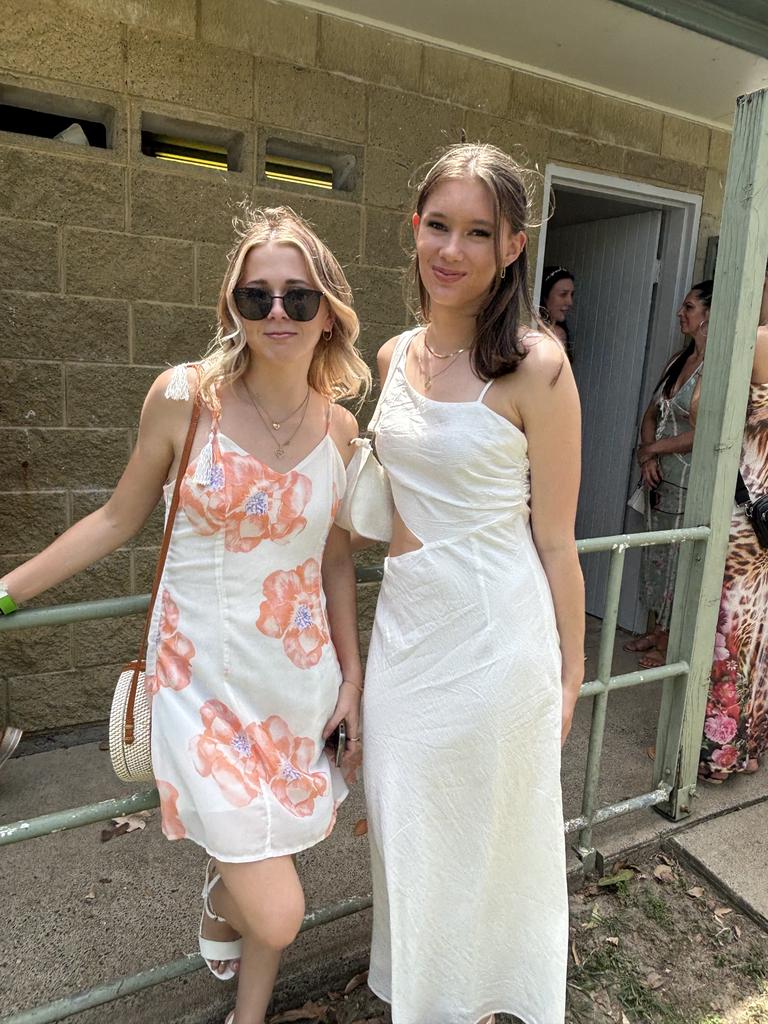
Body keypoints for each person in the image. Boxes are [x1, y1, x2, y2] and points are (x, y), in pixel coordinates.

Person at [0, 206, 370, 1024]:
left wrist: (353, 675)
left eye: (298, 299)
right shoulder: (183, 397)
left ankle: (247, 1017)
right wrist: (6, 592)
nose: (277, 314)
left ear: (328, 313)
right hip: (197, 684)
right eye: (256, 296)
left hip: (297, 684)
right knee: (276, 909)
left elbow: (336, 557)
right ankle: (223, 890)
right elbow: (115, 517)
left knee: (277, 853)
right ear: (232, 306)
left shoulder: (342, 429)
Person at [362, 144, 584, 1024]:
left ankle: (491, 1004)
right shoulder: (389, 357)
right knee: (410, 837)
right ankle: (427, 1001)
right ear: (415, 230)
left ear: (513, 247)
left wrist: (570, 675)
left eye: (478, 232)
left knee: (491, 849)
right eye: (439, 226)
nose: (452, 250)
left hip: (498, 644)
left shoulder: (539, 366)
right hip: (406, 638)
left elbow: (560, 543)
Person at [699, 273, 768, 782]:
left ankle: (717, 754)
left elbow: (703, 408)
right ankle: (749, 748)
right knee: (757, 631)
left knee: (728, 631)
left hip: (745, 516)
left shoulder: (758, 342)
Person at [625, 280, 713, 668]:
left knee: (679, 560)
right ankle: (655, 630)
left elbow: (704, 433)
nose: (682, 313)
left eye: (689, 307)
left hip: (689, 481)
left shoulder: (714, 368)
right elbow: (650, 414)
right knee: (657, 553)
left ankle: (669, 641)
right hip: (659, 478)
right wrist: (647, 459)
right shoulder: (678, 360)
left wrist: (653, 449)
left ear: (708, 315)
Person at [539, 265, 575, 359]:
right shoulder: (531, 334)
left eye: (572, 295)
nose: (570, 302)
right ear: (545, 296)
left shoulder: (560, 333)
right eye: (563, 294)